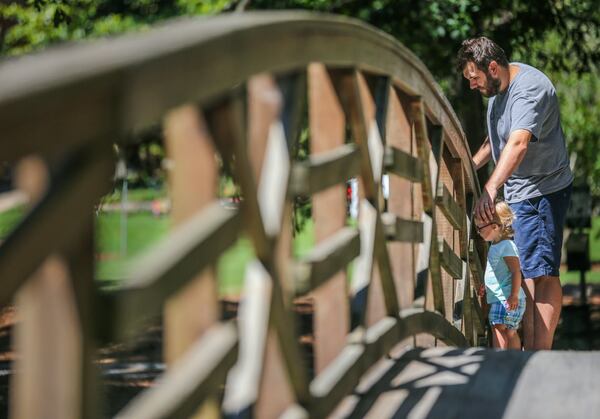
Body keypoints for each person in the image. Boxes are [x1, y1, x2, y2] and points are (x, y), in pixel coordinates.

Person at [457, 37, 573, 350]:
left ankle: (539, 355)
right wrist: (463, 167)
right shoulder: (498, 92)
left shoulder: (529, 89)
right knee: (530, 273)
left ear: (492, 67)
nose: (472, 85)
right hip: (520, 191)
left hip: (542, 191)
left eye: (474, 77)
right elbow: (494, 141)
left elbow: (518, 143)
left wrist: (491, 186)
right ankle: (531, 353)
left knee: (542, 275)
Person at [477, 201, 526, 349]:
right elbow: (498, 272)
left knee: (497, 327)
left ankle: (499, 360)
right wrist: (486, 286)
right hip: (508, 298)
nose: (478, 231)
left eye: (480, 227)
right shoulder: (497, 245)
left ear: (494, 226)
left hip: (506, 299)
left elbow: (516, 271)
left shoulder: (506, 246)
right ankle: (515, 360)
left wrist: (514, 295)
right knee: (510, 332)